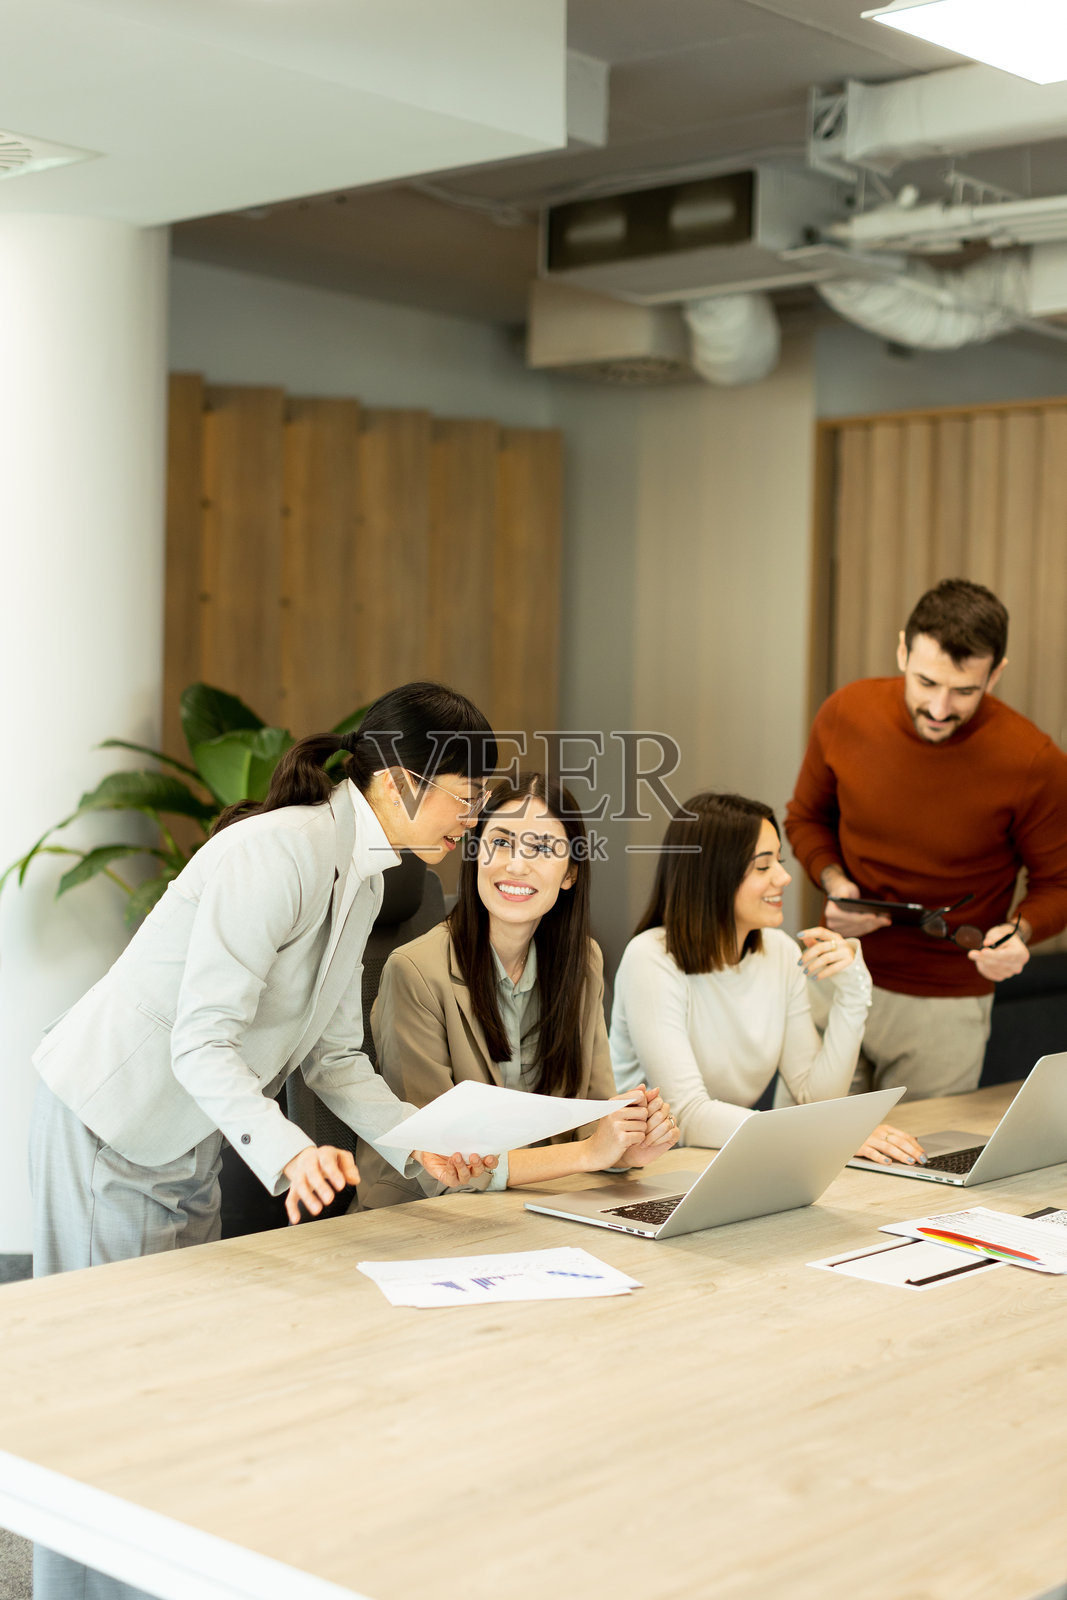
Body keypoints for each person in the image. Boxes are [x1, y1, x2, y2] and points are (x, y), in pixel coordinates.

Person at [28, 681, 501, 1600]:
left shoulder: (364, 878)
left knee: (162, 1390)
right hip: (109, 1122)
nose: (472, 819)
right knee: (100, 1399)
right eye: (466, 797)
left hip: (190, 1131)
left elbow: (334, 1058)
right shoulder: (273, 853)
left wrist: (419, 1146)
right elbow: (199, 1041)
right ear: (401, 781)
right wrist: (291, 1154)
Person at [785, 578, 1067, 1101]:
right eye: (926, 682)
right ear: (902, 651)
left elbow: (1060, 884)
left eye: (964, 691)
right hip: (836, 969)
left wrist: (1018, 933)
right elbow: (805, 818)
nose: (939, 708)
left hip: (946, 1006)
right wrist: (835, 881)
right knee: (799, 1140)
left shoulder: (1035, 761)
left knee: (921, 1154)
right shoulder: (846, 712)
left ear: (996, 674)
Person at [357, 773, 679, 1208]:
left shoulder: (582, 962)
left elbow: (593, 1114)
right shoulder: (415, 971)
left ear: (570, 874)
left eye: (542, 849)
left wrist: (626, 1145)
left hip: (534, 1206)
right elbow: (440, 1165)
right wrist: (589, 1154)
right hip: (421, 1217)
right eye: (501, 842)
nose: (515, 865)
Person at [609, 792, 923, 1167]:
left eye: (780, 860)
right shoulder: (651, 958)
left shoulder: (780, 952)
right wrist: (824, 1134)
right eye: (763, 866)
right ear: (713, 876)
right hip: (644, 1172)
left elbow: (812, 1097)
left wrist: (853, 992)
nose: (784, 877)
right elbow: (686, 1115)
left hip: (727, 1159)